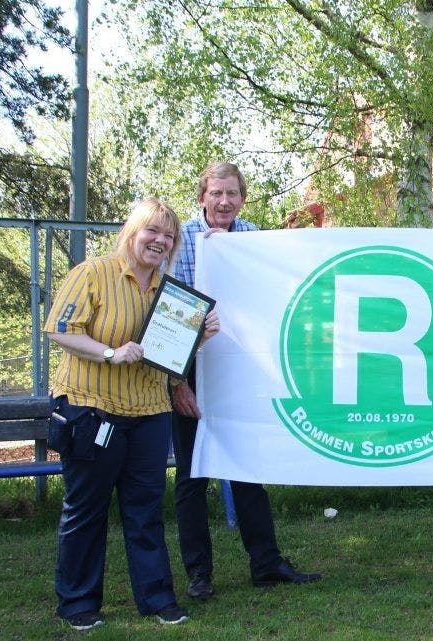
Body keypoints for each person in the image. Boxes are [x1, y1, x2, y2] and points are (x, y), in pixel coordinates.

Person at [46, 198, 219, 630]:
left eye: (169, 236)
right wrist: (110, 352)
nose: (160, 241)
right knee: (87, 508)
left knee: (145, 510)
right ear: (132, 232)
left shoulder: (171, 293)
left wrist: (200, 338)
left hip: (149, 411)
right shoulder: (93, 273)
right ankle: (77, 602)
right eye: (153, 232)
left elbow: (166, 357)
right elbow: (60, 330)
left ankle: (158, 598)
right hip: (92, 410)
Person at [170, 161, 320, 601]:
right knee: (192, 473)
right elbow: (171, 315)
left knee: (247, 468)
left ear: (242, 198)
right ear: (202, 196)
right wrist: (178, 383)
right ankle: (199, 573)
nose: (223, 202)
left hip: (241, 367)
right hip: (193, 367)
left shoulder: (254, 237)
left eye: (232, 194)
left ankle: (266, 564)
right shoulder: (180, 240)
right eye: (216, 193)